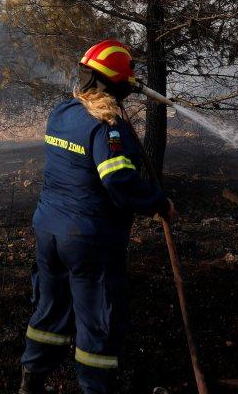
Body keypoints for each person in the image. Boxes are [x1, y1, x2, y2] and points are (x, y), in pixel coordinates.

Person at [19, 39, 175, 394]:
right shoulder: (108, 126)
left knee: (49, 309)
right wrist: (158, 202)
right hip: (89, 239)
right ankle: (95, 387)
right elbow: (118, 180)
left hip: (49, 232)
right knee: (97, 318)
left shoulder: (61, 113)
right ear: (118, 82)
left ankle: (31, 381)